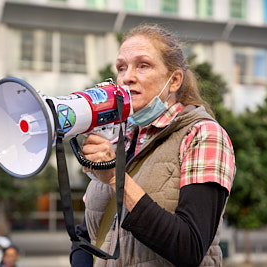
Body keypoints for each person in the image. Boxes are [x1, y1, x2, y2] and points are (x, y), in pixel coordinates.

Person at [70, 23, 236, 267]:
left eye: (143, 65)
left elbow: (189, 248)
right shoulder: (118, 141)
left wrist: (117, 179)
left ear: (175, 80)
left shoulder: (203, 135)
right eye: (121, 67)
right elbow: (87, 235)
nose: (128, 77)